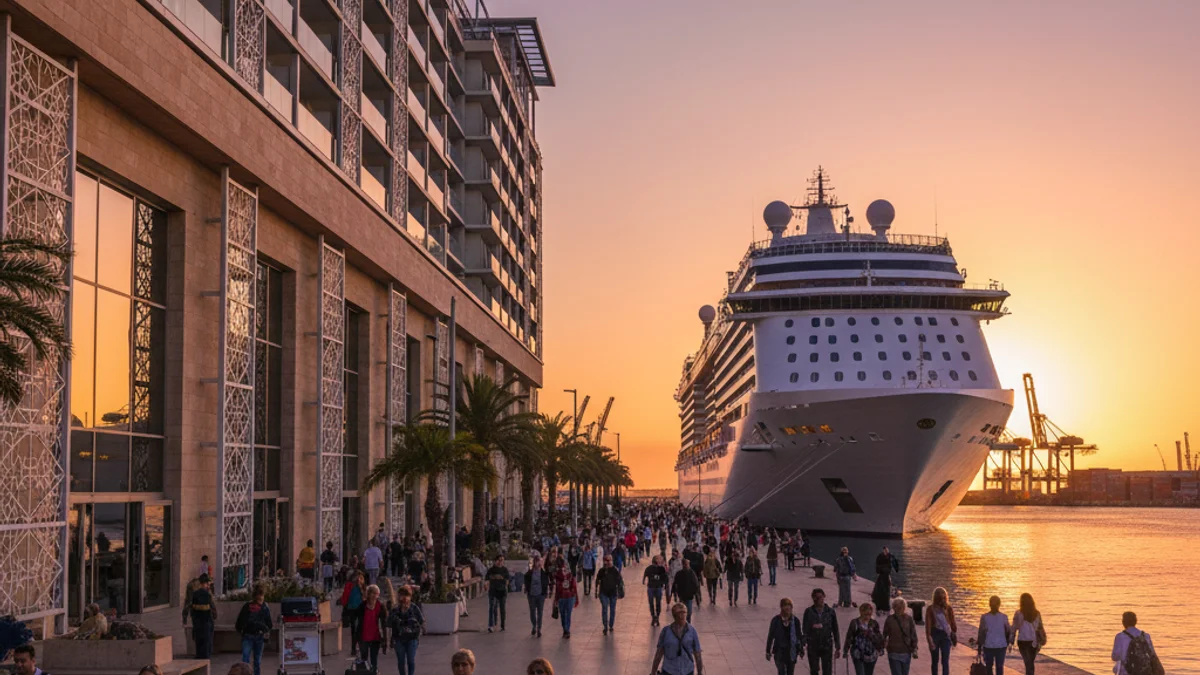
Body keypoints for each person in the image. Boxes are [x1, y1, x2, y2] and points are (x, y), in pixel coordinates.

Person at [651, 603, 705, 675]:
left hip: (687, 670)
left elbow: (697, 653)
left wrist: (700, 672)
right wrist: (653, 672)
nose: (681, 616)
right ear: (675, 616)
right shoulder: (666, 631)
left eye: (683, 613)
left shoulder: (692, 631)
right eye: (679, 614)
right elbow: (659, 653)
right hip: (669, 670)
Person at [235, 584, 273, 675]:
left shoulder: (263, 607)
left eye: (262, 597)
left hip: (257, 636)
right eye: (260, 598)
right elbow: (240, 621)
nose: (261, 600)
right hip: (250, 636)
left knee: (254, 661)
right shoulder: (250, 607)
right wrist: (242, 630)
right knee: (248, 661)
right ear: (255, 597)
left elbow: (269, 623)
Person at [802, 588, 840, 675]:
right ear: (813, 599)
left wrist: (838, 646)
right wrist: (803, 643)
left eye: (821, 597)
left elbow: (835, 629)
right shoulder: (808, 611)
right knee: (814, 670)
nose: (819, 599)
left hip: (827, 644)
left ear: (824, 597)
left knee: (827, 670)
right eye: (816, 597)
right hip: (813, 645)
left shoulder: (830, 612)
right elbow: (805, 628)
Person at [388, 586, 424, 675]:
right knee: (401, 661)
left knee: (411, 660)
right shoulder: (395, 610)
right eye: (402, 595)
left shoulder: (414, 608)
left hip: (412, 638)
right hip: (399, 639)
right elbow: (389, 624)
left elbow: (422, 621)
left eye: (407, 595)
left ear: (410, 597)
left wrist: (419, 631)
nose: (404, 598)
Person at [845, 602, 885, 675]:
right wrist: (845, 650)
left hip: (871, 654)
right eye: (866, 614)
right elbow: (849, 637)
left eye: (869, 614)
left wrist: (881, 648)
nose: (867, 616)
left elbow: (879, 637)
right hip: (858, 653)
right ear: (861, 612)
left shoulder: (874, 623)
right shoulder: (855, 622)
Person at [766, 597, 803, 675]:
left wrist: (801, 649)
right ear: (781, 607)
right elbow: (770, 636)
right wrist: (767, 651)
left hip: (791, 651)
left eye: (789, 605)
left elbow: (799, 636)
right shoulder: (775, 620)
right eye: (785, 605)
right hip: (779, 652)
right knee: (781, 672)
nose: (787, 607)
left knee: (790, 672)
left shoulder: (795, 621)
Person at [183, 573, 217, 659]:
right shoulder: (204, 592)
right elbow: (212, 605)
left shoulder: (193, 588)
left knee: (199, 639)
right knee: (207, 641)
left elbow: (187, 604)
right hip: (206, 620)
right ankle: (205, 657)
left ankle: (200, 656)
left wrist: (185, 618)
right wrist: (214, 614)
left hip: (197, 619)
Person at [925, 587, 957, 675]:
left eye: (943, 598)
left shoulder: (948, 609)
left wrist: (945, 613)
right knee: (935, 661)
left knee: (945, 661)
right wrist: (930, 640)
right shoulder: (930, 609)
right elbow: (928, 628)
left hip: (945, 636)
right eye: (940, 598)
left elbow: (954, 628)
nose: (941, 600)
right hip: (935, 634)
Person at [355, 584, 388, 671]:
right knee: (364, 660)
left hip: (375, 637)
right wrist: (355, 640)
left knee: (374, 660)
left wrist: (385, 640)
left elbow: (384, 624)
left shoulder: (380, 606)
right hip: (363, 637)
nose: (374, 595)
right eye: (372, 593)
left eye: (376, 593)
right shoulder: (362, 606)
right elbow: (357, 623)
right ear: (368, 594)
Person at [977, 595, 1012, 675]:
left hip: (990, 646)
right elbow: (1008, 631)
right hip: (999, 646)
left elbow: (981, 633)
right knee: (999, 668)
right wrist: (1008, 642)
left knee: (989, 668)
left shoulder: (985, 617)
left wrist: (979, 647)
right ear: (999, 605)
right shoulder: (1003, 617)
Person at [1011, 593, 1045, 675]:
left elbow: (1014, 628)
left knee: (1028, 663)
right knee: (1030, 663)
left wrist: (1011, 640)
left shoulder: (1018, 613)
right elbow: (1040, 627)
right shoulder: (1037, 613)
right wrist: (1042, 639)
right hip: (1034, 642)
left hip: (1022, 641)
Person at [884, 597, 920, 675]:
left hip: (906, 651)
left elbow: (913, 634)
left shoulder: (909, 619)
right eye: (897, 606)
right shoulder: (889, 619)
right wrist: (884, 645)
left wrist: (914, 648)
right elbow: (885, 634)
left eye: (902, 606)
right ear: (894, 607)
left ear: (904, 607)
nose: (900, 608)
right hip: (893, 651)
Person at [550, 558, 580, 638]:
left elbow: (574, 587)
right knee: (564, 614)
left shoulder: (570, 576)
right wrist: (556, 600)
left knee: (567, 614)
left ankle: (567, 630)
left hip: (568, 597)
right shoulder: (558, 576)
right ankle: (565, 629)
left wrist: (576, 598)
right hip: (563, 597)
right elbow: (557, 589)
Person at [596, 554, 624, 635]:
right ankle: (605, 626)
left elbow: (619, 581)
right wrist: (596, 592)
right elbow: (598, 580)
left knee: (612, 610)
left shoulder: (615, 570)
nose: (608, 562)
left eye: (609, 560)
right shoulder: (602, 570)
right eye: (606, 560)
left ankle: (611, 625)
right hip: (603, 592)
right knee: (604, 608)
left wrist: (620, 591)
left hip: (613, 593)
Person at [340, 570, 366, 653]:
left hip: (360, 609)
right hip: (352, 609)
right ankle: (354, 648)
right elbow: (345, 597)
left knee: (359, 629)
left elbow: (365, 597)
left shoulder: (361, 586)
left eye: (360, 578)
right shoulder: (349, 585)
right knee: (354, 629)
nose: (358, 579)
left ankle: (357, 647)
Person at [525, 555, 551, 637]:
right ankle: (534, 625)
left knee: (540, 612)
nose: (538, 563)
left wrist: (546, 593)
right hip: (532, 595)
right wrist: (527, 589)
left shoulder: (543, 574)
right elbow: (526, 580)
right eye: (536, 561)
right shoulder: (529, 573)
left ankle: (539, 628)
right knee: (532, 612)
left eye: (539, 561)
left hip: (540, 595)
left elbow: (546, 583)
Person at [672, 558, 702, 622]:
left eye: (687, 564)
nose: (686, 565)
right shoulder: (679, 573)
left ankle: (688, 623)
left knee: (689, 611)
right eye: (685, 564)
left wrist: (695, 593)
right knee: (682, 611)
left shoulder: (691, 573)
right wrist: (674, 593)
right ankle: (684, 622)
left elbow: (696, 584)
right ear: (683, 565)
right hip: (682, 595)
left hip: (689, 596)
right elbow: (675, 583)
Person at [486, 554, 510, 633]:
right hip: (493, 591)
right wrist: (486, 585)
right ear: (495, 561)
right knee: (492, 608)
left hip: (502, 591)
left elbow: (507, 581)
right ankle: (491, 625)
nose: (500, 562)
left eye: (502, 560)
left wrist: (500, 579)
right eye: (499, 560)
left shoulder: (505, 570)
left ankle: (502, 625)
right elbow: (487, 580)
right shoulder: (491, 570)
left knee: (502, 609)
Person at [644, 554, 669, 626]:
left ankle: (657, 616)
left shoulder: (661, 569)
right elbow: (645, 574)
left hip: (658, 587)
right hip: (652, 587)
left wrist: (665, 584)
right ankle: (654, 616)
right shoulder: (649, 568)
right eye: (658, 559)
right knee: (652, 603)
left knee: (657, 603)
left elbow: (665, 578)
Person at [873, 547, 897, 615]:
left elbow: (891, 566)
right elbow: (878, 568)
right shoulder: (880, 557)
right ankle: (880, 608)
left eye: (887, 550)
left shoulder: (889, 556)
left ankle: (884, 608)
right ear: (883, 550)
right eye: (885, 550)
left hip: (885, 576)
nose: (886, 551)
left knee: (886, 594)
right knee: (881, 593)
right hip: (882, 577)